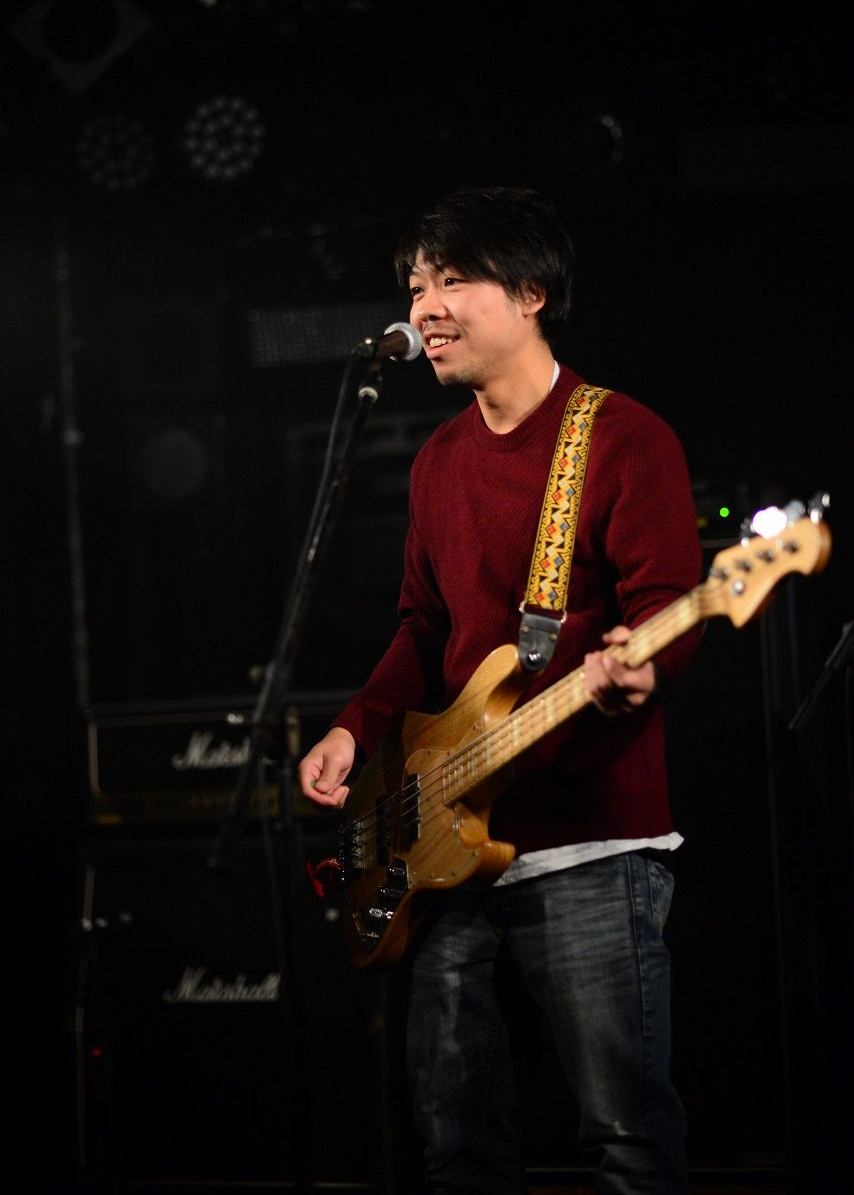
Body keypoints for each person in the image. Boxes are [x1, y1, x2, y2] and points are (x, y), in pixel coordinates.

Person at [298, 185, 703, 1194]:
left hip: (589, 843)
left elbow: (669, 604)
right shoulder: (436, 461)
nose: (423, 306)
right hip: (443, 851)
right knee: (456, 1145)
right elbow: (422, 629)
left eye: (450, 280)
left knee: (626, 1139)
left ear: (530, 294)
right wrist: (356, 727)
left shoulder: (621, 435)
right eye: (414, 286)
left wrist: (641, 668)